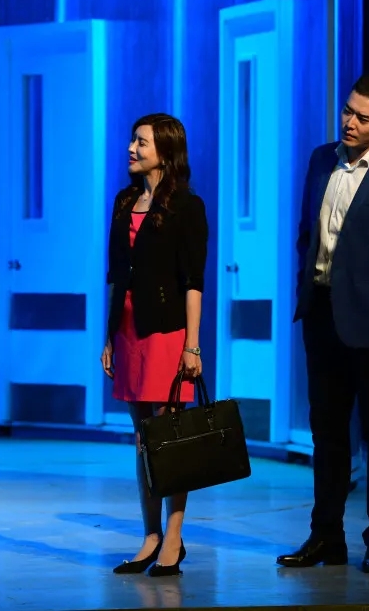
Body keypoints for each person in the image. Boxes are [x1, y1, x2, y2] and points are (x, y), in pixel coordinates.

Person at [278, 73, 369, 574]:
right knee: (327, 433)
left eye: (363, 117)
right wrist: (305, 289)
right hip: (322, 314)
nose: (349, 122)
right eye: (348, 110)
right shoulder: (322, 159)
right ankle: (326, 536)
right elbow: (308, 234)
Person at [102, 113, 208, 578]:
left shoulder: (187, 206)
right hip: (128, 331)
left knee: (169, 439)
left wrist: (193, 346)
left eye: (141, 142)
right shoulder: (125, 201)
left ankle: (174, 538)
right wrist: (108, 336)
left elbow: (193, 282)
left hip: (167, 332)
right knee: (143, 439)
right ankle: (149, 535)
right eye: (132, 140)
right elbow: (114, 274)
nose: (132, 148)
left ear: (165, 151)